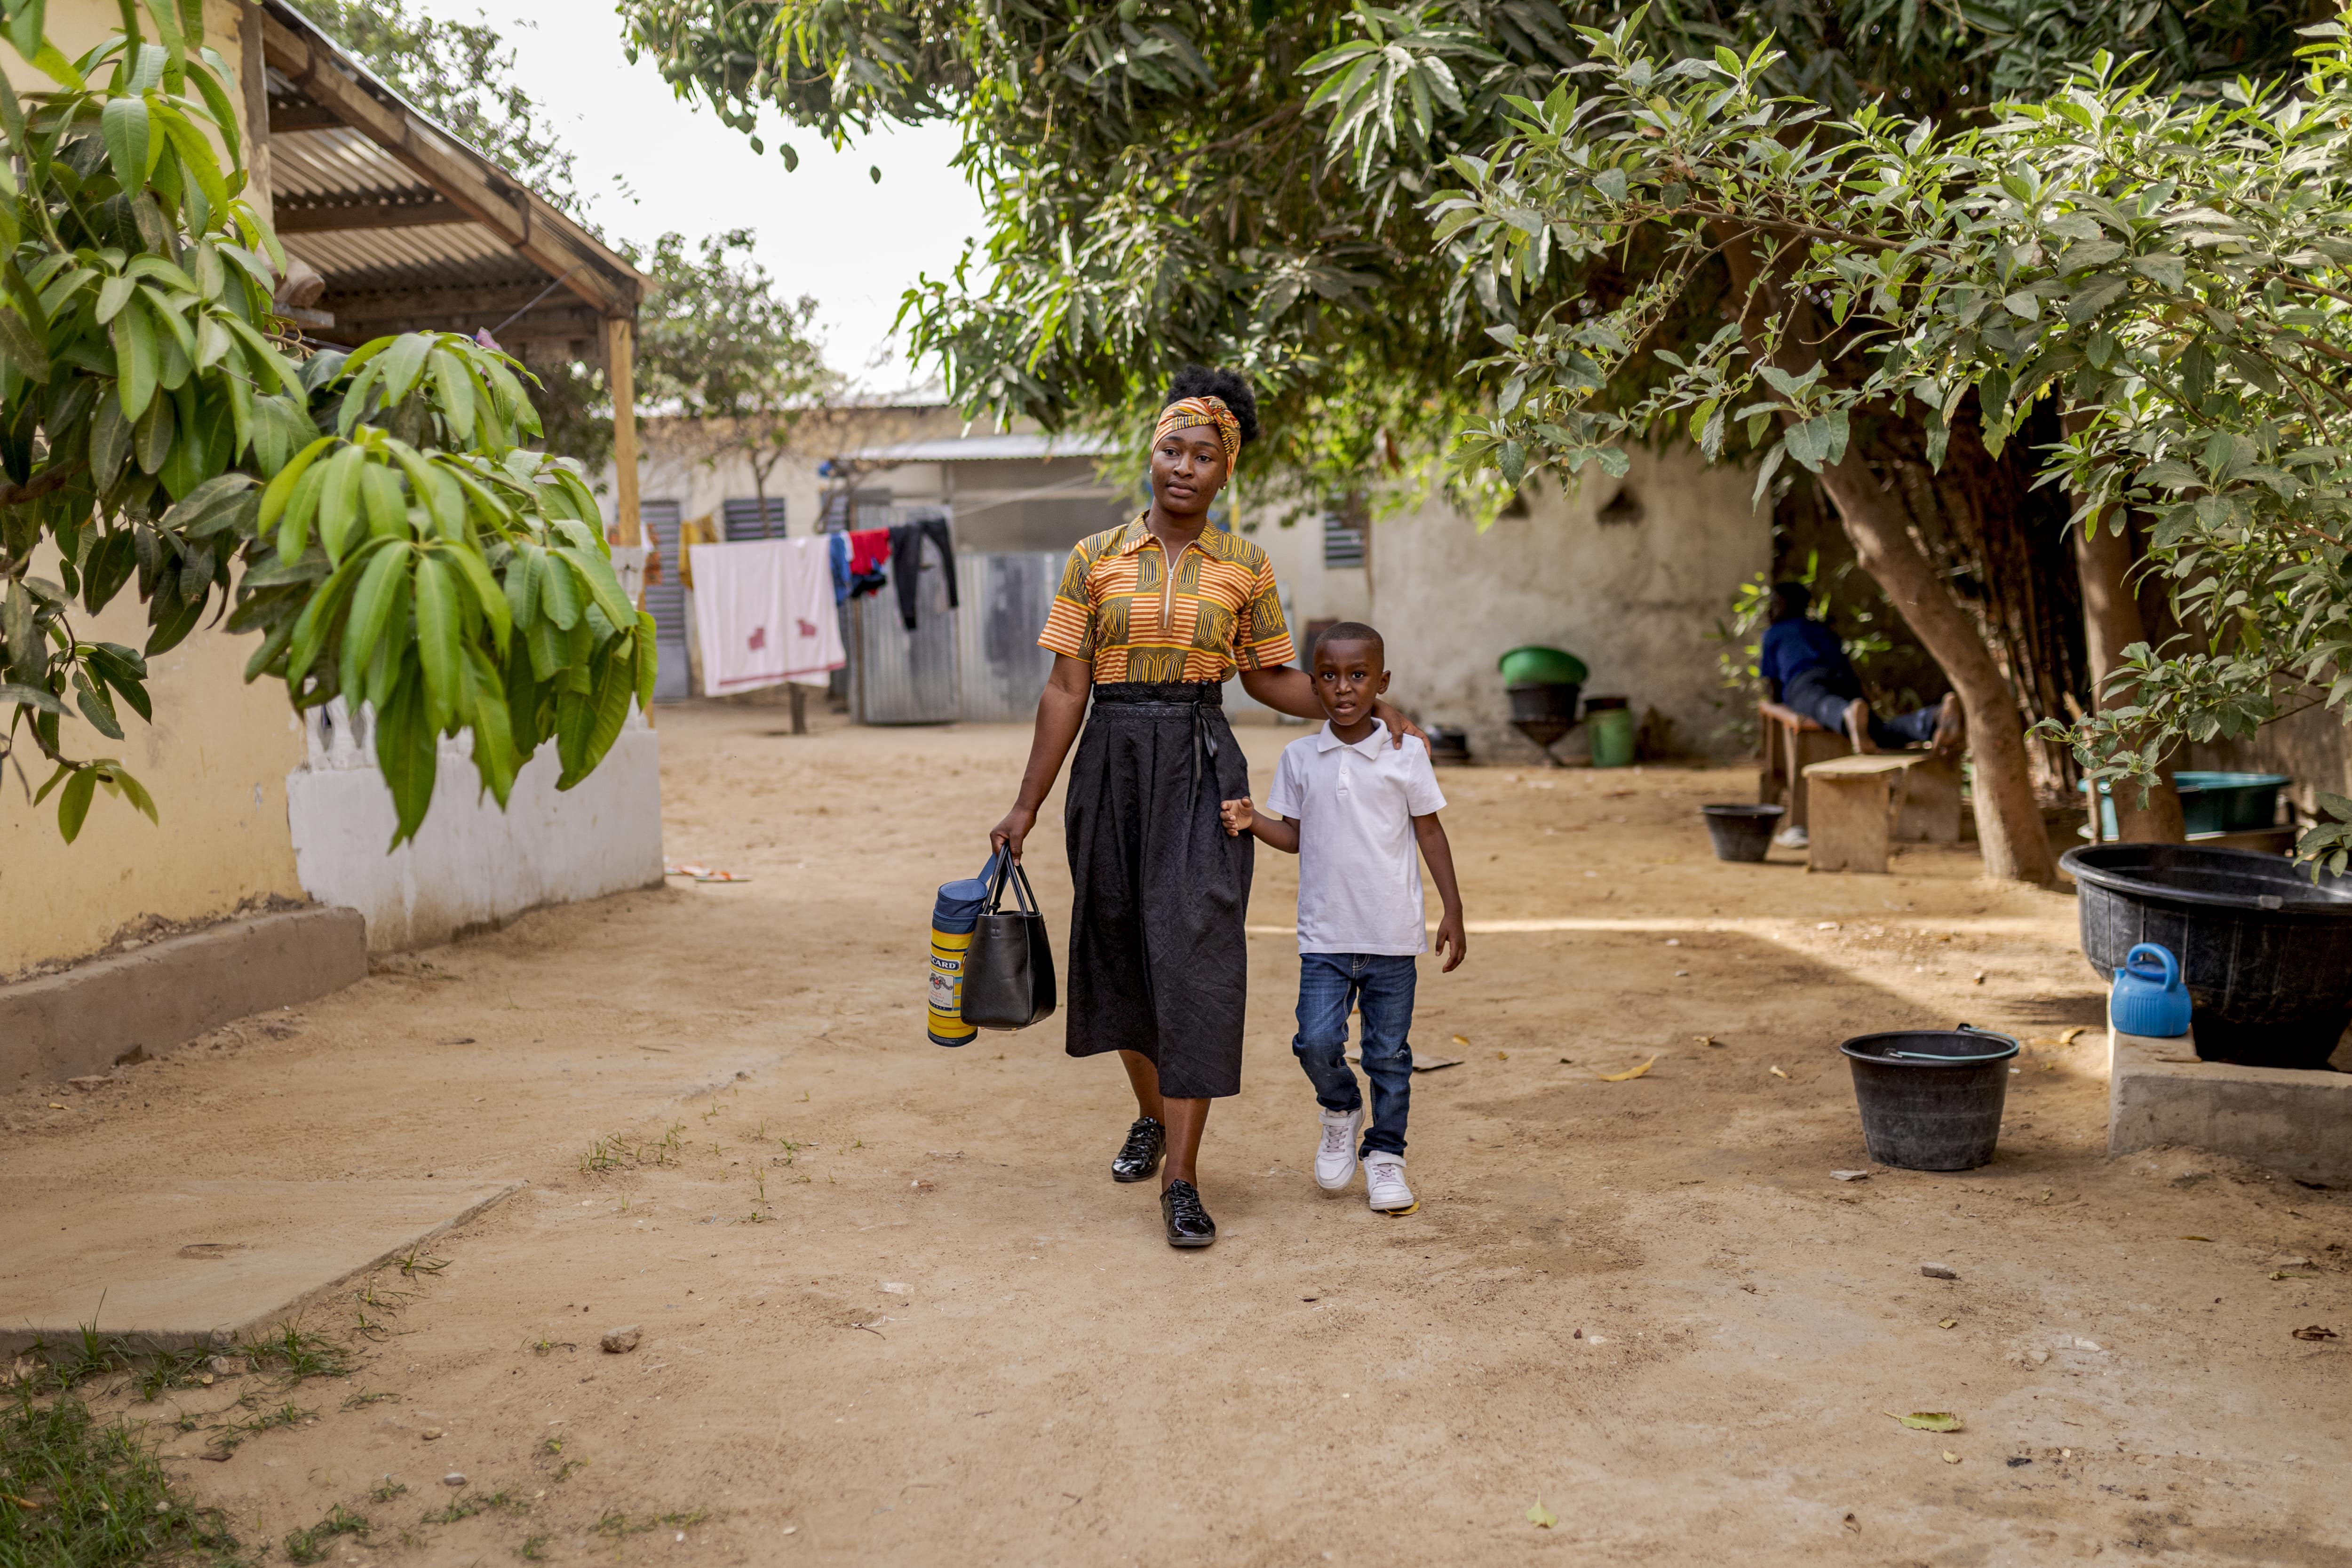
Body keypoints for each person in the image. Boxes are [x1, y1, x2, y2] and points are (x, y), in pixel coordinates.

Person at [988, 367, 1428, 1250]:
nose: (1182, 467)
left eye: (1201, 455)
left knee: (1194, 952)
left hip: (1199, 759)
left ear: (1226, 471)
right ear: (1150, 453)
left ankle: (1182, 1177)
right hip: (1110, 762)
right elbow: (1067, 684)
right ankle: (1150, 1114)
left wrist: (1360, 703)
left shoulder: (1246, 566)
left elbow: (1267, 677)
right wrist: (1025, 804)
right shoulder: (1094, 557)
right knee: (1120, 949)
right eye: (1169, 448)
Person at [1216, 622, 1465, 1218]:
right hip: (1325, 936)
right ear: (1312, 684)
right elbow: (1296, 837)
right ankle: (1340, 1107)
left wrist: (1452, 908)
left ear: (1381, 683)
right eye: (1327, 676)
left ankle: (1385, 1158)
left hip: (1390, 935)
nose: (1343, 689)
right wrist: (1253, 822)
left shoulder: (1405, 756)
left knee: (1387, 1055)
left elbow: (1429, 830)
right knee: (1316, 1040)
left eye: (1358, 676)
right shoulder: (1300, 757)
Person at [1759, 581, 1961, 755]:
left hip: (1804, 682)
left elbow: (1774, 686)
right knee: (1879, 730)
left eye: (1775, 604)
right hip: (1842, 681)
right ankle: (1934, 717)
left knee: (1822, 705)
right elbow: (1845, 668)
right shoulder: (1821, 629)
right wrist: (1860, 700)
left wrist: (1777, 704)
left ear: (1788, 606)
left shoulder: (1774, 633)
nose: (1770, 609)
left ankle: (1847, 713)